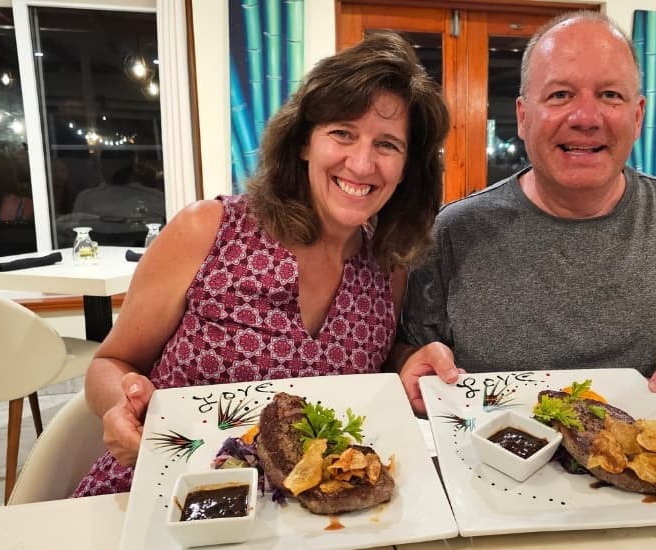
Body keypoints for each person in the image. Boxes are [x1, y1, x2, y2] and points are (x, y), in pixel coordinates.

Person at [71, 33, 449, 497]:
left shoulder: (387, 266)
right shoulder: (207, 230)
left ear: (408, 166)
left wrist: (409, 359)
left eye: (388, 144)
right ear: (304, 142)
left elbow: (367, 360)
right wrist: (123, 404)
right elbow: (110, 361)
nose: (362, 163)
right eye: (342, 133)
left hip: (305, 515)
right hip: (163, 493)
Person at [394, 11, 656, 435]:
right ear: (523, 116)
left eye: (609, 95)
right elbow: (408, 349)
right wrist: (410, 364)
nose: (586, 117)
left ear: (638, 116)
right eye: (560, 95)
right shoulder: (455, 232)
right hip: (507, 483)